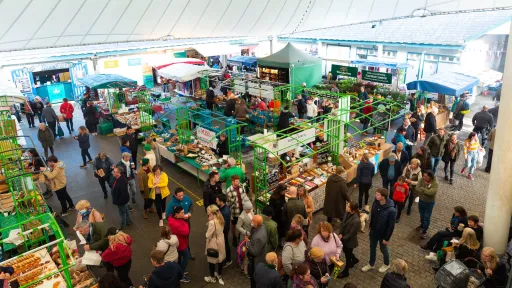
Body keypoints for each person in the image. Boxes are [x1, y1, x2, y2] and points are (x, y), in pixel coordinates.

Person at [362, 188, 396, 273]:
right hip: (373, 230)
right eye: (376, 194)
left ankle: (386, 264)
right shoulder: (376, 202)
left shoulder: (391, 210)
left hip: (382, 234)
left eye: (378, 195)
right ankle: (371, 264)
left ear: (383, 197)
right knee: (372, 247)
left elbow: (391, 226)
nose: (375, 196)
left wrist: (386, 238)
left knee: (383, 249)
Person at [167, 206, 191, 283]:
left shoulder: (174, 218)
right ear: (176, 215)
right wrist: (186, 221)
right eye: (182, 213)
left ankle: (179, 270)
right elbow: (186, 232)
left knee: (179, 258)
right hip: (181, 244)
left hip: (180, 243)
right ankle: (181, 273)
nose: (184, 214)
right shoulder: (175, 224)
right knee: (186, 258)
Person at [204, 205, 226, 284]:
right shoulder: (221, 218)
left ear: (212, 213)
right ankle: (219, 275)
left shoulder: (212, 222)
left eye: (208, 212)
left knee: (211, 260)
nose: (207, 213)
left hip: (214, 242)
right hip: (221, 240)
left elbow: (207, 235)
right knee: (220, 259)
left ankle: (212, 277)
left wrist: (209, 222)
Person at [339, 201, 361, 278]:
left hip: (349, 242)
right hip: (344, 238)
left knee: (348, 256)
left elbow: (352, 234)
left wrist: (342, 238)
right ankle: (354, 260)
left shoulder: (356, 221)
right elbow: (343, 223)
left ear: (353, 209)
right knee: (347, 252)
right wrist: (340, 233)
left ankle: (346, 272)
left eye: (348, 206)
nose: (346, 207)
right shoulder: (347, 213)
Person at [226, 175, 249, 245]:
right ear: (232, 182)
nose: (238, 182)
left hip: (243, 209)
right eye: (237, 181)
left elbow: (245, 195)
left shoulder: (241, 186)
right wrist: (235, 201)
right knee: (233, 224)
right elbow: (229, 202)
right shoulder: (229, 190)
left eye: (238, 181)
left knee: (242, 223)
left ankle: (239, 235)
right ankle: (234, 236)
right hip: (235, 211)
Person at [416, 170, 438, 239]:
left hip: (429, 203)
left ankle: (424, 231)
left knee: (427, 217)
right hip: (421, 200)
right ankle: (422, 225)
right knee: (421, 214)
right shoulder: (422, 179)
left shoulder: (435, 183)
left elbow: (431, 193)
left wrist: (422, 189)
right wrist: (426, 191)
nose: (424, 177)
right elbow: (417, 188)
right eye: (424, 176)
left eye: (426, 176)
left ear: (430, 177)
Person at [247, 215, 267, 288]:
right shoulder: (261, 226)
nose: (251, 221)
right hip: (255, 258)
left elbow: (255, 252)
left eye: (252, 220)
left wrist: (248, 242)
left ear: (256, 223)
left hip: (255, 260)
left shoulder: (259, 236)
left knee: (253, 278)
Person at [216, 194, 232, 267]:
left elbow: (224, 224)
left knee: (225, 244)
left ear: (221, 202)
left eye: (217, 200)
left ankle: (228, 259)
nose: (216, 201)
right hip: (223, 230)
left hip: (223, 231)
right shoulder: (222, 207)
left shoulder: (225, 212)